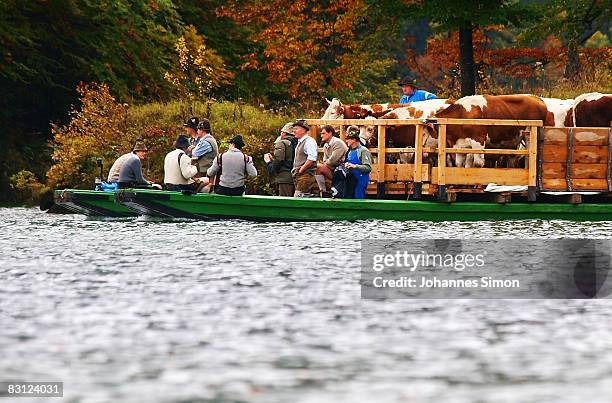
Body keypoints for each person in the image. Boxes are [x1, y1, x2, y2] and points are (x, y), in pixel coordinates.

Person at [264, 122, 297, 196]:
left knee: (285, 203)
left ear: (284, 133)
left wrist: (269, 162)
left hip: (285, 178)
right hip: (296, 177)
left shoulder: (282, 143)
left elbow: (279, 160)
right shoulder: (298, 142)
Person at [315, 125, 348, 196]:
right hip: (333, 169)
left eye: (323, 133)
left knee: (319, 167)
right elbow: (325, 160)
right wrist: (327, 162)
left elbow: (333, 160)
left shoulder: (337, 143)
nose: (321, 136)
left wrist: (327, 162)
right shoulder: (326, 145)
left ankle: (325, 191)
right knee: (318, 167)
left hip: (343, 171)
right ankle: (322, 191)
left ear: (330, 133)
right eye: (321, 133)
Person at [342, 126, 372, 199]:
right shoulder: (349, 151)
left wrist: (355, 166)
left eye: (348, 139)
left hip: (360, 180)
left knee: (358, 198)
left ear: (354, 140)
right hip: (350, 180)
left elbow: (368, 167)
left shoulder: (363, 150)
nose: (346, 141)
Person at [291, 119, 318, 197]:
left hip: (305, 175)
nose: (294, 131)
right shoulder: (300, 142)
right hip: (300, 176)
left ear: (303, 130)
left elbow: (311, 159)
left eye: (296, 129)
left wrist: (301, 170)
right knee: (300, 197)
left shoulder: (309, 141)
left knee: (299, 198)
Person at [191, 119, 219, 192]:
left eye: (198, 129)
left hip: (205, 171)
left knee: (202, 192)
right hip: (206, 170)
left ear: (202, 130)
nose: (197, 131)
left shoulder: (206, 142)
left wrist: (193, 148)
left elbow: (195, 153)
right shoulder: (208, 139)